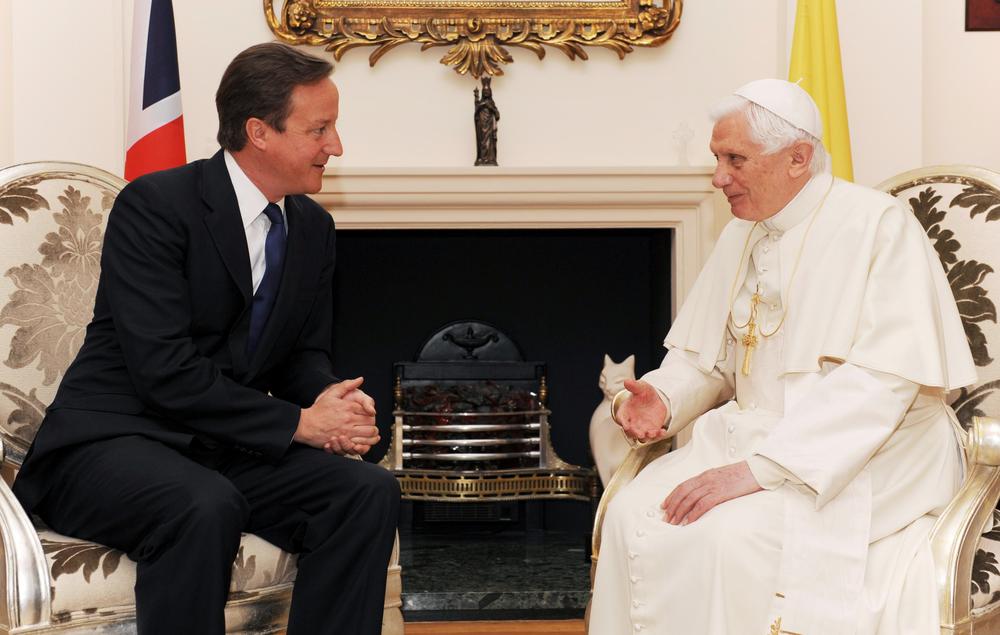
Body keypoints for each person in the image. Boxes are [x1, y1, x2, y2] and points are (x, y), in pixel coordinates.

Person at [12, 42, 400, 634]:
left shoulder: (314, 230)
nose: (336, 146)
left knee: (364, 492)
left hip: (220, 445)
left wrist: (330, 402)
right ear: (258, 132)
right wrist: (300, 424)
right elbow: (164, 370)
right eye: (319, 129)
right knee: (203, 504)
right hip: (108, 444)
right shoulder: (156, 206)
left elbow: (302, 355)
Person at [589, 79, 976, 634]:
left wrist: (760, 470)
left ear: (797, 158)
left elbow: (881, 386)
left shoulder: (878, 226)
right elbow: (713, 361)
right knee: (630, 512)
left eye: (735, 159)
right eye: (717, 158)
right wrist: (667, 397)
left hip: (866, 452)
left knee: (728, 534)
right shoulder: (740, 234)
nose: (719, 176)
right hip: (755, 439)